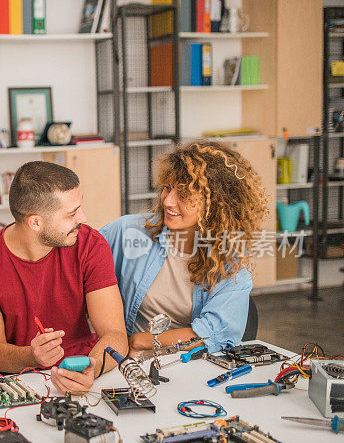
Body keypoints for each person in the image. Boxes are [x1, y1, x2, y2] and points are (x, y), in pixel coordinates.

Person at [0, 161, 128, 394]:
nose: (82, 217)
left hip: (88, 370)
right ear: (36, 222)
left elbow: (116, 336)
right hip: (21, 383)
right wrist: (32, 356)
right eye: (71, 213)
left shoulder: (90, 245)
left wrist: (93, 368)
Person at [99, 141, 268, 354]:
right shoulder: (127, 231)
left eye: (183, 194)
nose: (168, 201)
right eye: (167, 189)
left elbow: (213, 334)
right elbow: (77, 266)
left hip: (188, 366)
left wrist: (139, 341)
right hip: (125, 363)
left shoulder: (230, 264)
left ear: (214, 203)